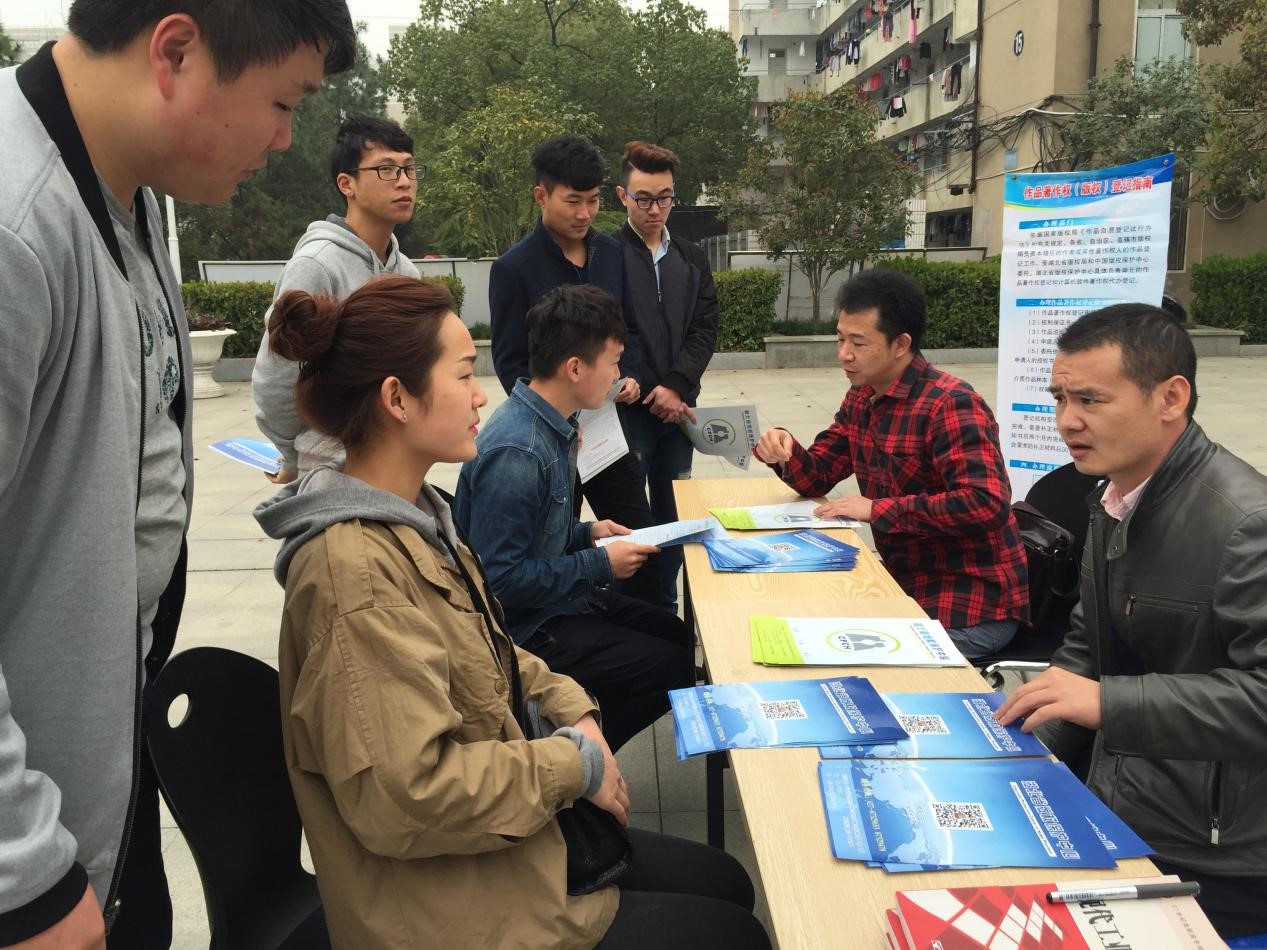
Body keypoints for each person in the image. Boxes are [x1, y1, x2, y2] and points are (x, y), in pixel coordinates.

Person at [254, 274, 770, 950]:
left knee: (726, 882)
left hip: (496, 841)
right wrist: (572, 766)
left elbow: (487, 644)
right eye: (462, 374)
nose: (480, 395)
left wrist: (574, 712)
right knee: (733, 930)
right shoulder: (354, 576)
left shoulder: (414, 516)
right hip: (445, 905)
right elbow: (409, 797)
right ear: (397, 398)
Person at [0, 2, 355, 947]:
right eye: (283, 102)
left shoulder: (134, 196)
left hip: (103, 768)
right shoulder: (15, 224)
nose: (285, 140)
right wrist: (22, 879)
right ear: (176, 50)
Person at [996, 303, 1267, 940]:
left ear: (1171, 397)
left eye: (1090, 399)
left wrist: (1107, 703)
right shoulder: (1113, 496)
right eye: (1060, 398)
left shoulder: (1245, 524)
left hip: (1215, 852)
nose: (1067, 421)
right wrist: (1025, 752)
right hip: (1120, 796)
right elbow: (1087, 646)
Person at [455, 285, 695, 753]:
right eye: (613, 362)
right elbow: (499, 581)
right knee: (670, 667)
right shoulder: (519, 452)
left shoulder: (553, 423)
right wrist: (601, 563)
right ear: (575, 368)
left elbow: (537, 534)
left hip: (559, 602)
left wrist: (588, 533)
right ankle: (574, 764)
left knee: (676, 636)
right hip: (526, 629)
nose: (618, 375)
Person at [753, 268, 1028, 658]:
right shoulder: (862, 396)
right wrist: (784, 451)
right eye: (840, 339)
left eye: (858, 342)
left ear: (900, 344)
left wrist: (876, 509)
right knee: (797, 612)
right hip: (904, 583)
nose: (844, 354)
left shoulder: (950, 404)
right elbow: (819, 475)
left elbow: (985, 503)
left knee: (833, 654)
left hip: (969, 603)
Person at [488, 134, 662, 604]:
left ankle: (646, 625)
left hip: (606, 432)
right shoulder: (513, 269)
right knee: (555, 544)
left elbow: (630, 331)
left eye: (593, 200)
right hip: (552, 441)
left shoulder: (612, 253)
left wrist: (630, 375)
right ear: (541, 195)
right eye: (573, 201)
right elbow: (509, 361)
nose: (585, 214)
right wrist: (554, 417)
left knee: (640, 540)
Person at [253, 113, 422, 481]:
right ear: (347, 184)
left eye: (409, 169)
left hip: (394, 460)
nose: (404, 182)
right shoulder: (316, 266)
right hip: (333, 469)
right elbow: (276, 375)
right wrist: (291, 454)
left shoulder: (408, 273)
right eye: (386, 170)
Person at [614, 141, 718, 611]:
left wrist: (676, 386)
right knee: (631, 518)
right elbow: (611, 328)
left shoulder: (692, 258)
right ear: (623, 196)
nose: (655, 209)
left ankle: (668, 608)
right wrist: (635, 380)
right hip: (629, 411)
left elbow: (704, 328)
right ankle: (637, 611)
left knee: (676, 514)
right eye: (643, 199)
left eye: (665, 198)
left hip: (678, 412)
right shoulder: (607, 254)